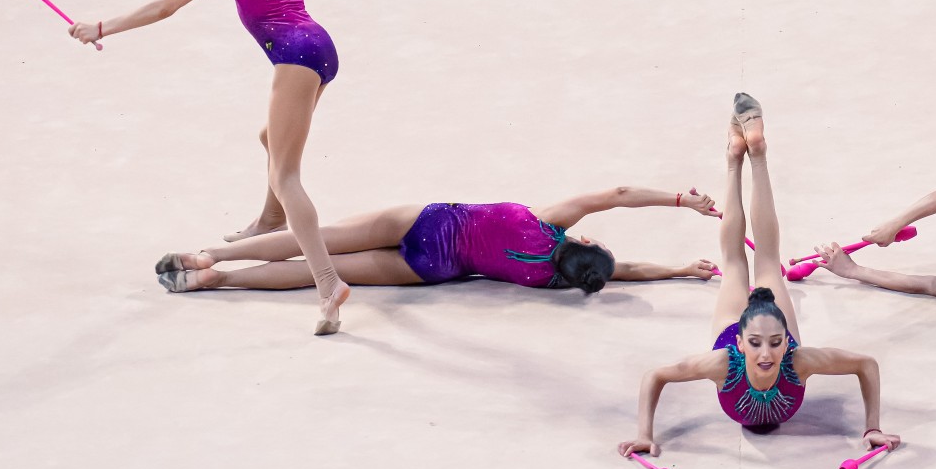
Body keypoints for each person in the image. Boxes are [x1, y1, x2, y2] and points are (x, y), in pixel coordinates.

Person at [69, 0, 350, 335]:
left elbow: (166, 7)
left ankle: (328, 283)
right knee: (271, 138)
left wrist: (102, 27)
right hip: (321, 46)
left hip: (295, 55)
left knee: (287, 174)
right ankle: (269, 220)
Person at [617, 95, 901, 460]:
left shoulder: (781, 361)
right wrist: (643, 434)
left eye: (774, 343)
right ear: (740, 343)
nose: (766, 353)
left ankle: (737, 158)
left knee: (738, 262)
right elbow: (654, 376)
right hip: (738, 332)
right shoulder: (760, 362)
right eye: (755, 343)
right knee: (762, 260)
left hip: (739, 328)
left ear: (785, 343)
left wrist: (873, 427)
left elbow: (866, 365)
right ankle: (753, 154)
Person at [154, 184, 723, 292]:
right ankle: (215, 281)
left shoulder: (547, 221)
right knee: (317, 272)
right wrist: (679, 269)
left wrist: (681, 199)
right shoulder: (548, 279)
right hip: (434, 267)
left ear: (585, 241)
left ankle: (212, 254)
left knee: (318, 240)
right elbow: (626, 271)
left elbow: (616, 193)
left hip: (427, 223)